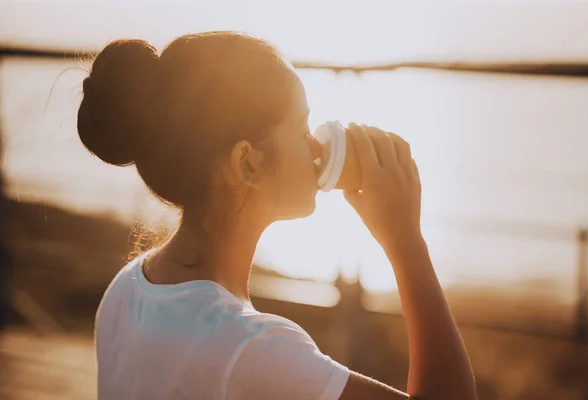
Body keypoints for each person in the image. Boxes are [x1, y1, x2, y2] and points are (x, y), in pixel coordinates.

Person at [78, 31, 476, 400]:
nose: (316, 145)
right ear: (247, 163)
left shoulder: (125, 291)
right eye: (302, 128)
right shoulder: (251, 348)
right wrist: (406, 243)